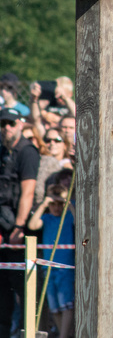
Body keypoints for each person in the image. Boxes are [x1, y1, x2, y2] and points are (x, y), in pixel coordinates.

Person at [0, 107, 39, 338]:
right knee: (2, 284)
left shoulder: (27, 152)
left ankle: (27, 331)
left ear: (21, 125)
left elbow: (28, 191)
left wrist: (19, 227)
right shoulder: (2, 151)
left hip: (17, 229)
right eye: (3, 123)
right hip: (2, 227)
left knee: (23, 286)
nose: (7, 128)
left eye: (11, 123)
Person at [28, 183, 75, 338]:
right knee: (54, 307)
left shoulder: (68, 217)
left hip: (65, 267)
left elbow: (79, 222)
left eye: (59, 204)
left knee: (66, 305)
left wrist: (69, 204)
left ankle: (63, 335)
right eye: (53, 204)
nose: (56, 208)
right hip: (49, 268)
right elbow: (33, 225)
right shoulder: (47, 218)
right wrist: (43, 205)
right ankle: (63, 334)